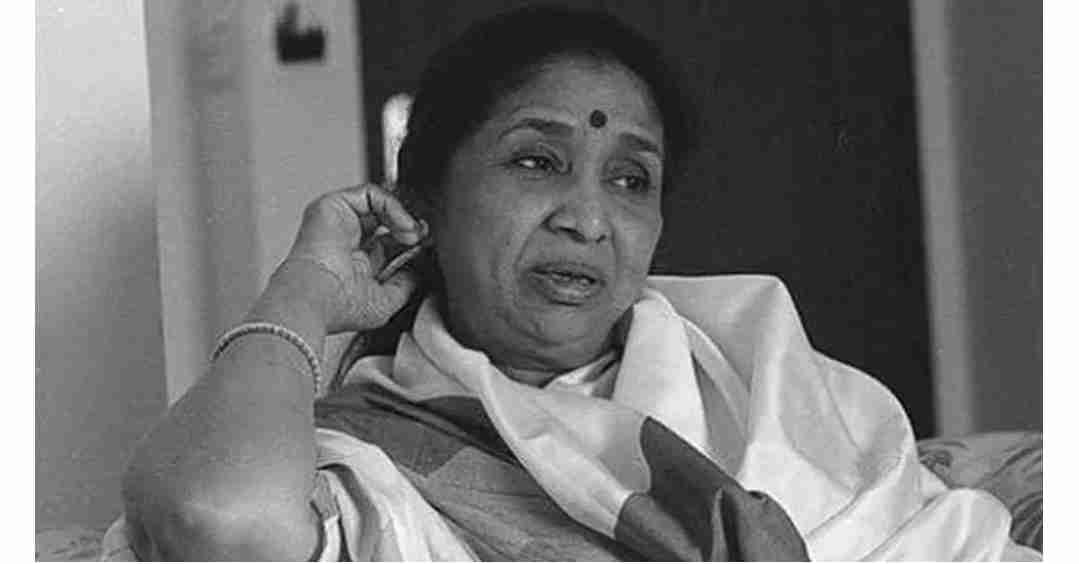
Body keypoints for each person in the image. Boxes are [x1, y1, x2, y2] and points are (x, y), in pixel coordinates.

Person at [106, 5, 1039, 561]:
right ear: (423, 198)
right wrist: (302, 292)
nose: (588, 219)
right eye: (536, 162)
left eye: (630, 180)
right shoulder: (371, 459)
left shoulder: (771, 383)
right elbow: (214, 521)